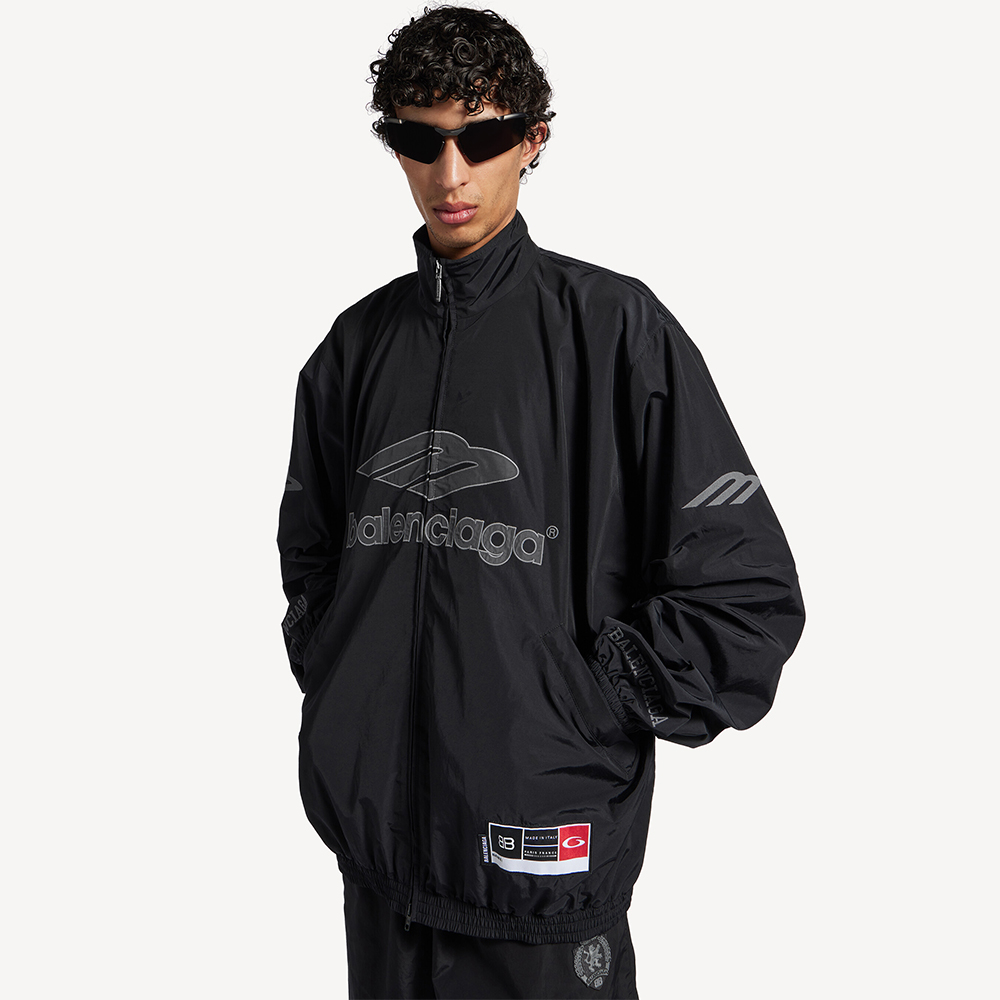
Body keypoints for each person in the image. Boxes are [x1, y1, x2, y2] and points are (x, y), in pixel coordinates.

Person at [277, 6, 805, 997]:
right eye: (420, 140)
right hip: (381, 873)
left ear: (533, 140)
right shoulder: (353, 351)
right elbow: (312, 566)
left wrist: (576, 702)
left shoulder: (617, 333)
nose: (451, 174)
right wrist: (346, 680)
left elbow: (746, 597)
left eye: (480, 139)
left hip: (542, 869)